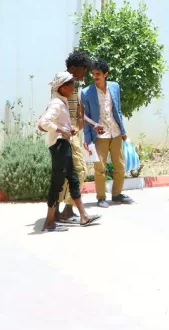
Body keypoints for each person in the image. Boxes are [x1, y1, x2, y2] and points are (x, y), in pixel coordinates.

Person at [37, 72, 100, 232]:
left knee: (73, 180)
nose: (74, 87)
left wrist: (68, 130)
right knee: (57, 183)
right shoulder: (56, 103)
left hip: (65, 144)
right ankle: (49, 222)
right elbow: (43, 122)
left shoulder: (62, 102)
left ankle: (84, 216)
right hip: (59, 146)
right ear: (64, 88)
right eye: (72, 84)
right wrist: (60, 130)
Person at [82, 59, 134, 208]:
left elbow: (117, 110)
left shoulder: (115, 87)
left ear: (106, 74)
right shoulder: (86, 92)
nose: (95, 77)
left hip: (116, 132)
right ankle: (101, 197)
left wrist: (123, 131)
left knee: (120, 165)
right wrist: (87, 139)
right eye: (93, 74)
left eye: (98, 74)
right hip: (99, 135)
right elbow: (85, 117)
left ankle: (117, 194)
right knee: (100, 168)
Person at [55, 51, 93, 224]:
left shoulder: (74, 84)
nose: (84, 74)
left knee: (66, 173)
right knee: (79, 170)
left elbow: (77, 109)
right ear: (73, 68)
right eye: (82, 70)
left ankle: (62, 210)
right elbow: (57, 108)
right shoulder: (63, 83)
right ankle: (66, 210)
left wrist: (82, 125)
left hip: (72, 134)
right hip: (64, 134)